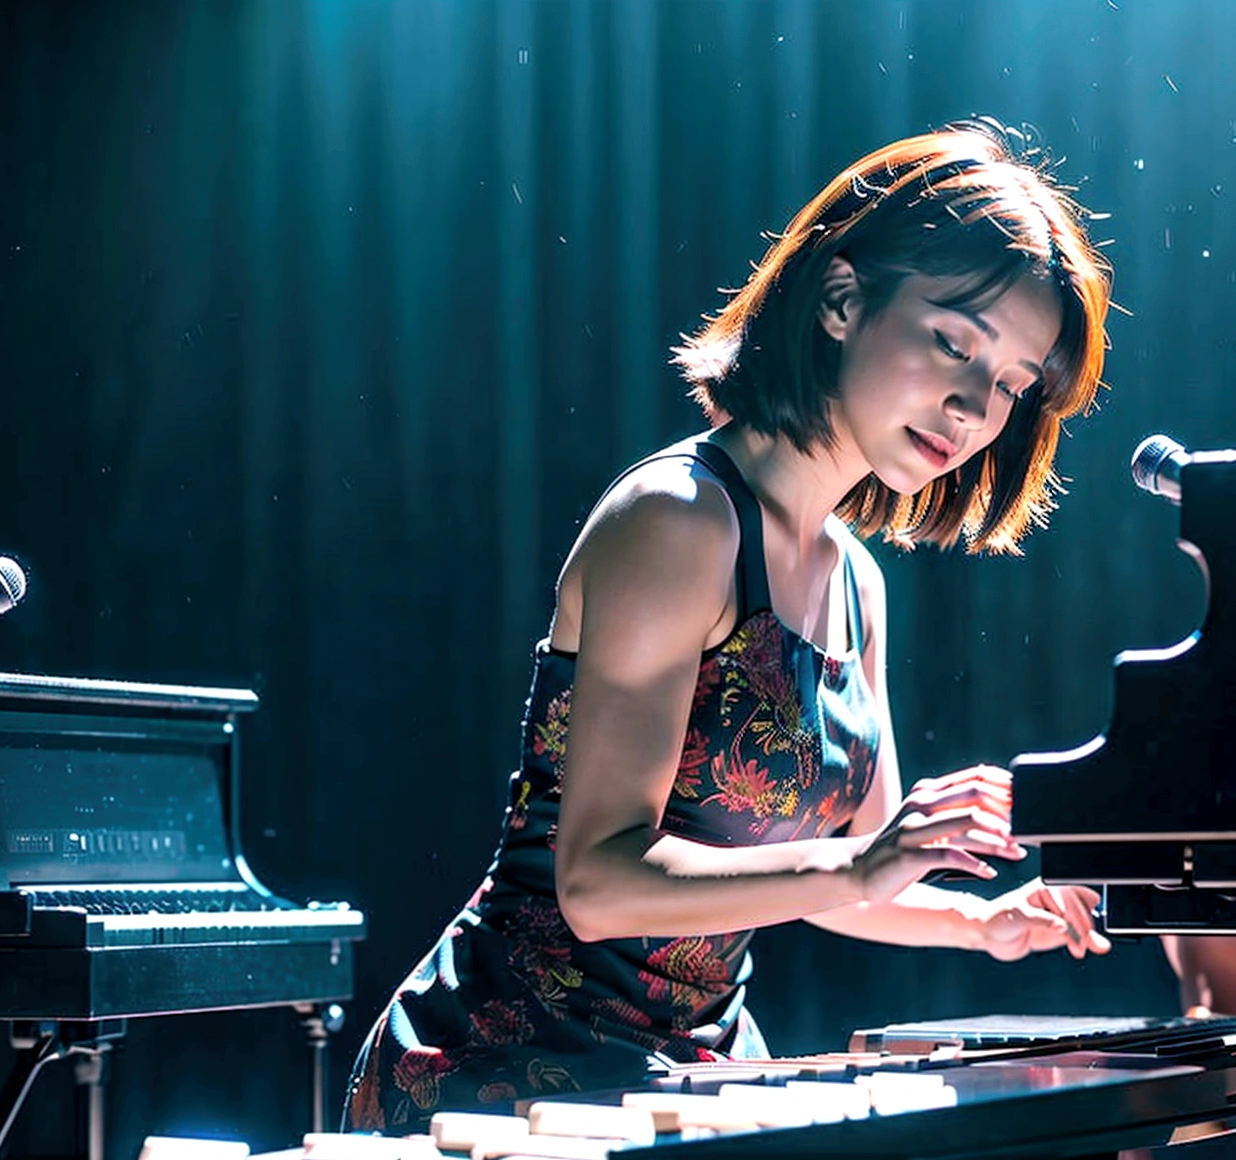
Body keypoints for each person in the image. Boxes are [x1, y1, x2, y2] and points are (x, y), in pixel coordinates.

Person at [343, 117, 1116, 1134]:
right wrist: (864, 859)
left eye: (1012, 382)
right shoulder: (677, 519)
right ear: (842, 299)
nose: (974, 406)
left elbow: (841, 884)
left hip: (684, 1073)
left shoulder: (854, 581)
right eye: (951, 341)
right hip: (510, 1075)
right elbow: (598, 880)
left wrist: (982, 922)